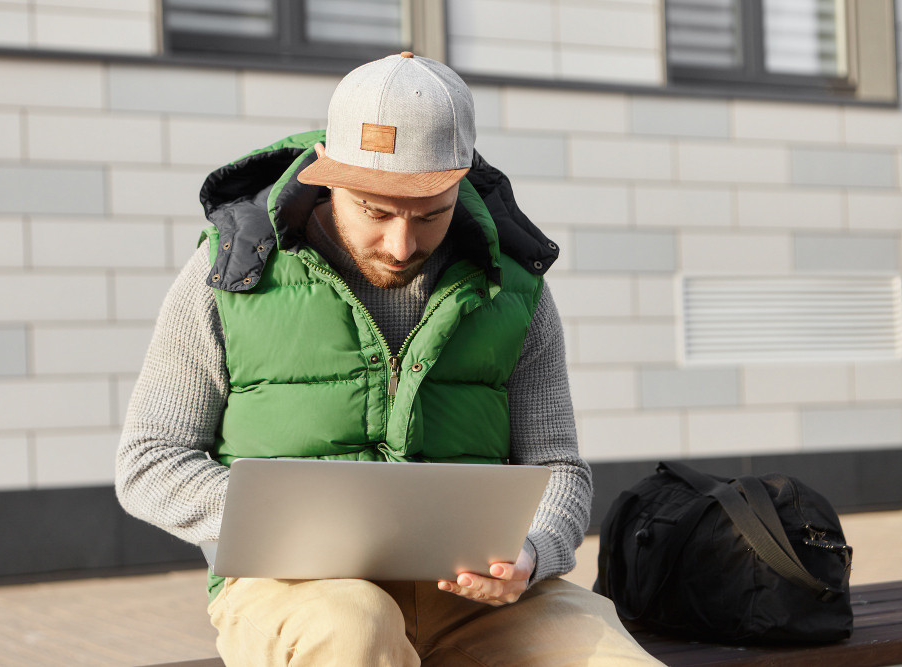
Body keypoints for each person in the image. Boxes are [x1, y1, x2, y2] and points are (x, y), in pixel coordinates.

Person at [116, 51, 661, 666]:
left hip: (477, 598)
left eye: (431, 215)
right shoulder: (230, 273)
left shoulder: (515, 286)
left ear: (462, 181)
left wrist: (532, 554)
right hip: (294, 592)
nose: (402, 245)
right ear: (328, 175)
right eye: (376, 211)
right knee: (354, 627)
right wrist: (290, 525)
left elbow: (557, 464)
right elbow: (149, 461)